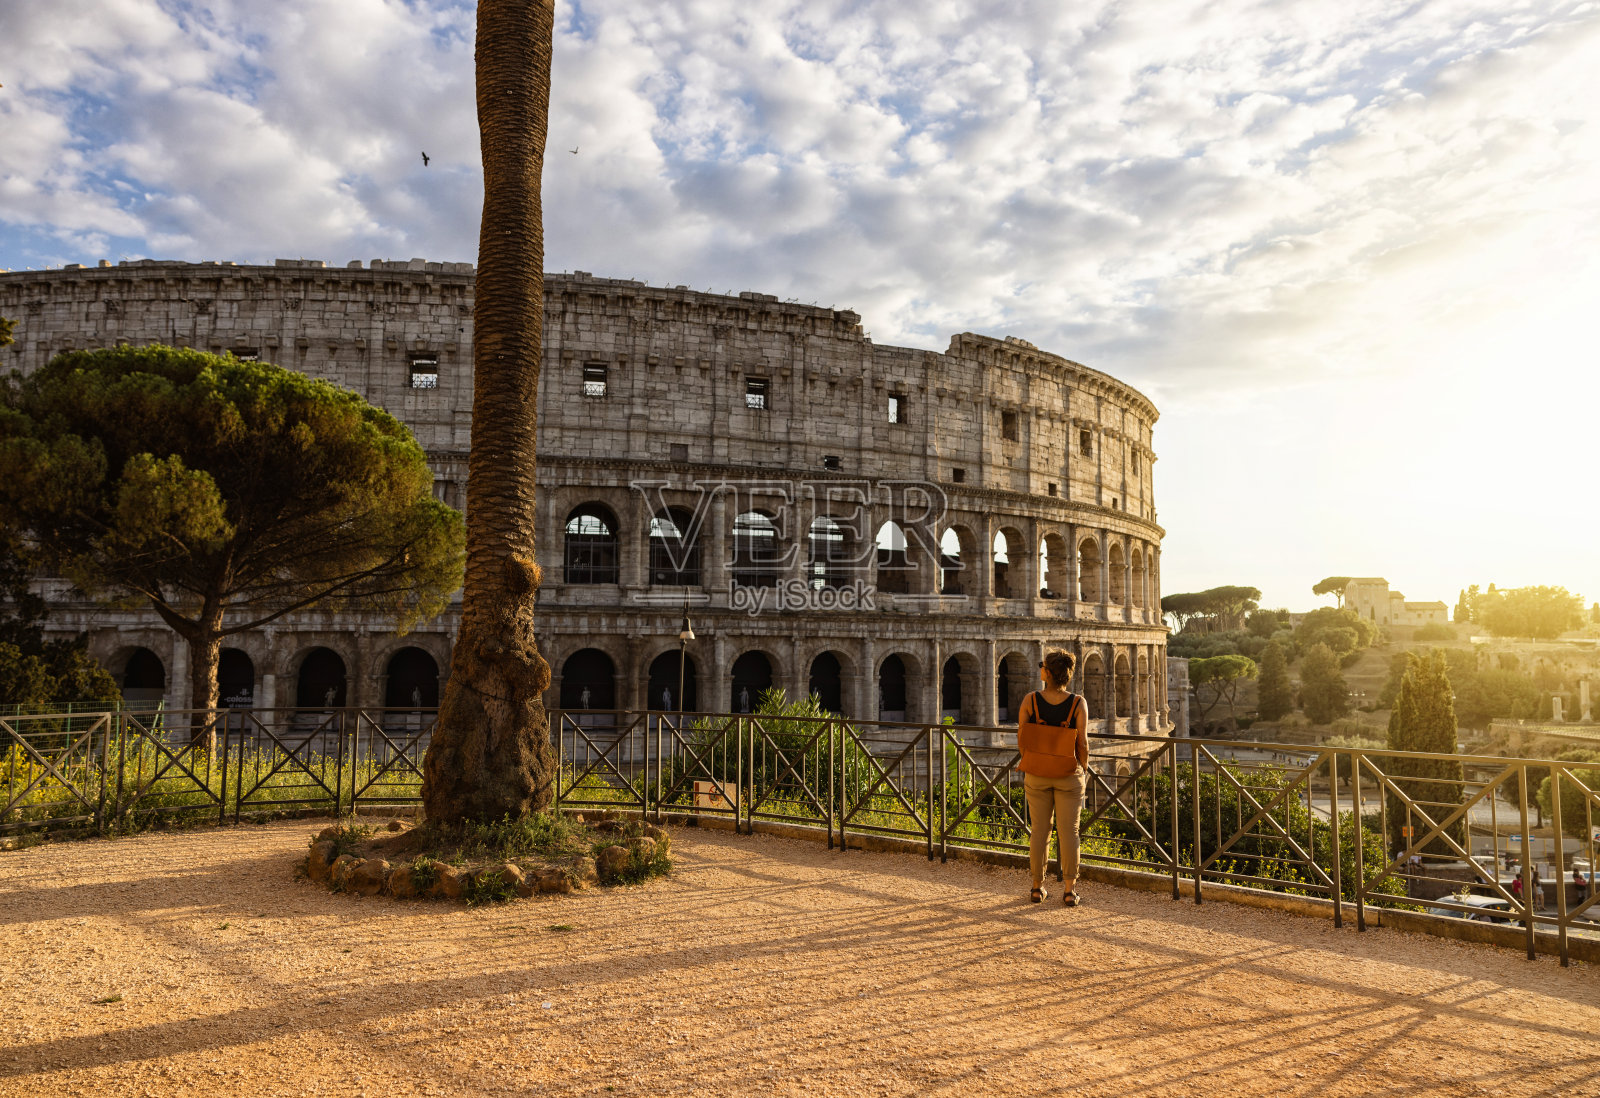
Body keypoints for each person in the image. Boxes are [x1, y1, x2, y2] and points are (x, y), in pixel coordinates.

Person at [1017, 649, 1089, 908]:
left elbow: (1022, 740)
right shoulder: (1078, 703)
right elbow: (1082, 743)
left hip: (1036, 773)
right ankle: (1069, 891)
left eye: (1041, 666)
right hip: (1068, 774)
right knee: (1069, 833)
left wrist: (1033, 761)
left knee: (1039, 831)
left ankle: (1037, 887)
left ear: (1048, 673)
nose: (1040, 669)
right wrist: (1084, 769)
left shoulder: (1030, 700)